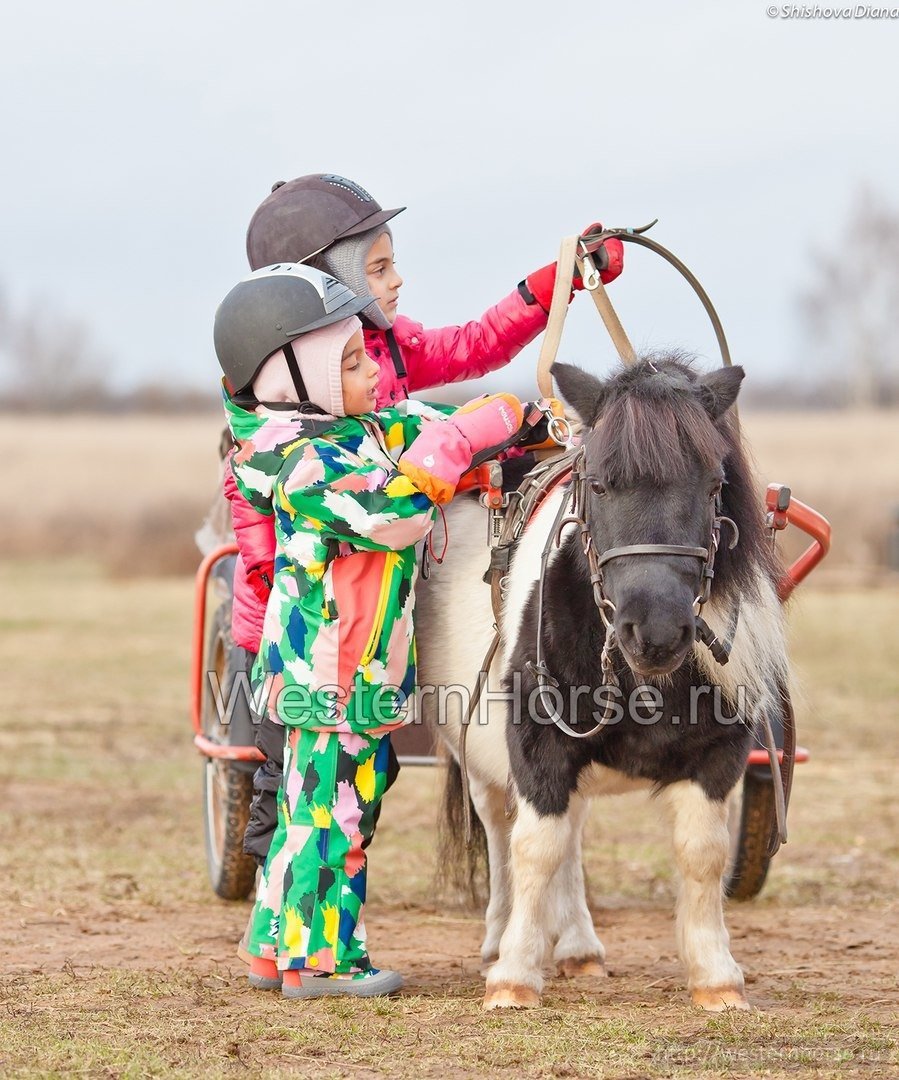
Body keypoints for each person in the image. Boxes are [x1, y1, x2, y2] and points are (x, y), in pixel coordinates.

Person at [228, 173, 626, 867]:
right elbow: (272, 548)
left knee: (358, 789)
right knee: (293, 792)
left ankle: (315, 907)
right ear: (325, 280)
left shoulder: (383, 347)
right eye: (379, 267)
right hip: (309, 632)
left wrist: (557, 283)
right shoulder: (281, 426)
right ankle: (286, 903)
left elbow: (472, 347)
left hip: (379, 600)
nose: (398, 281)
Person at [215, 263, 525, 997]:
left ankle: (272, 947)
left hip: (349, 671)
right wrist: (463, 441)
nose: (373, 375)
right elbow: (396, 511)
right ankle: (323, 962)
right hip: (331, 676)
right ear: (296, 380)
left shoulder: (350, 431)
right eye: (351, 364)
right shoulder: (299, 462)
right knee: (333, 820)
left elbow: (417, 431)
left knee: (308, 810)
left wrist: (514, 424)